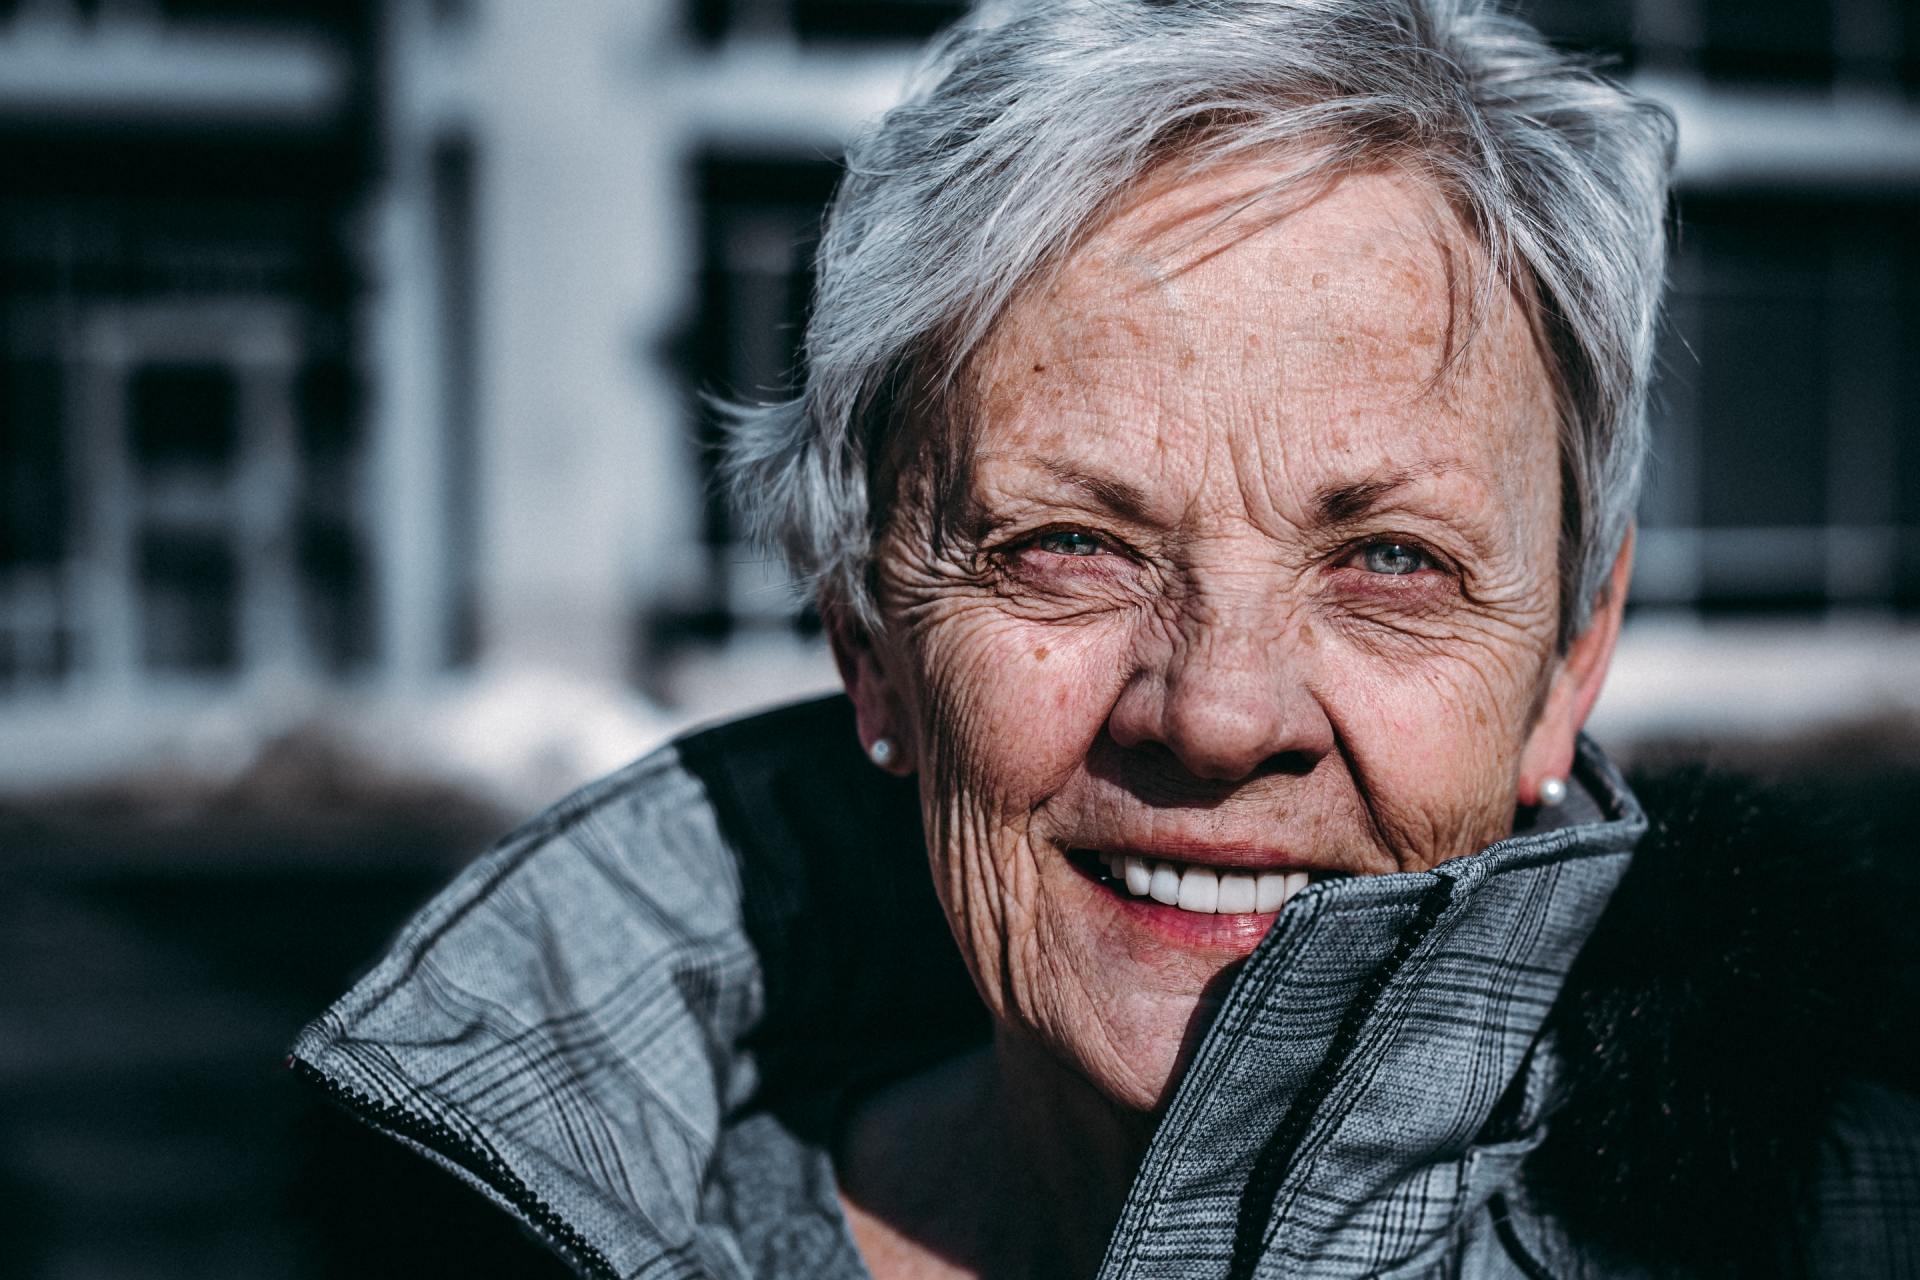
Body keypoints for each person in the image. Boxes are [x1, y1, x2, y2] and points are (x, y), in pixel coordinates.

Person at [292, 1, 1920, 1276]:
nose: (1215, 713)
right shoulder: (500, 1238)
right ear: (870, 634)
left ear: (1570, 662)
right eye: (1069, 545)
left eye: (1390, 562)